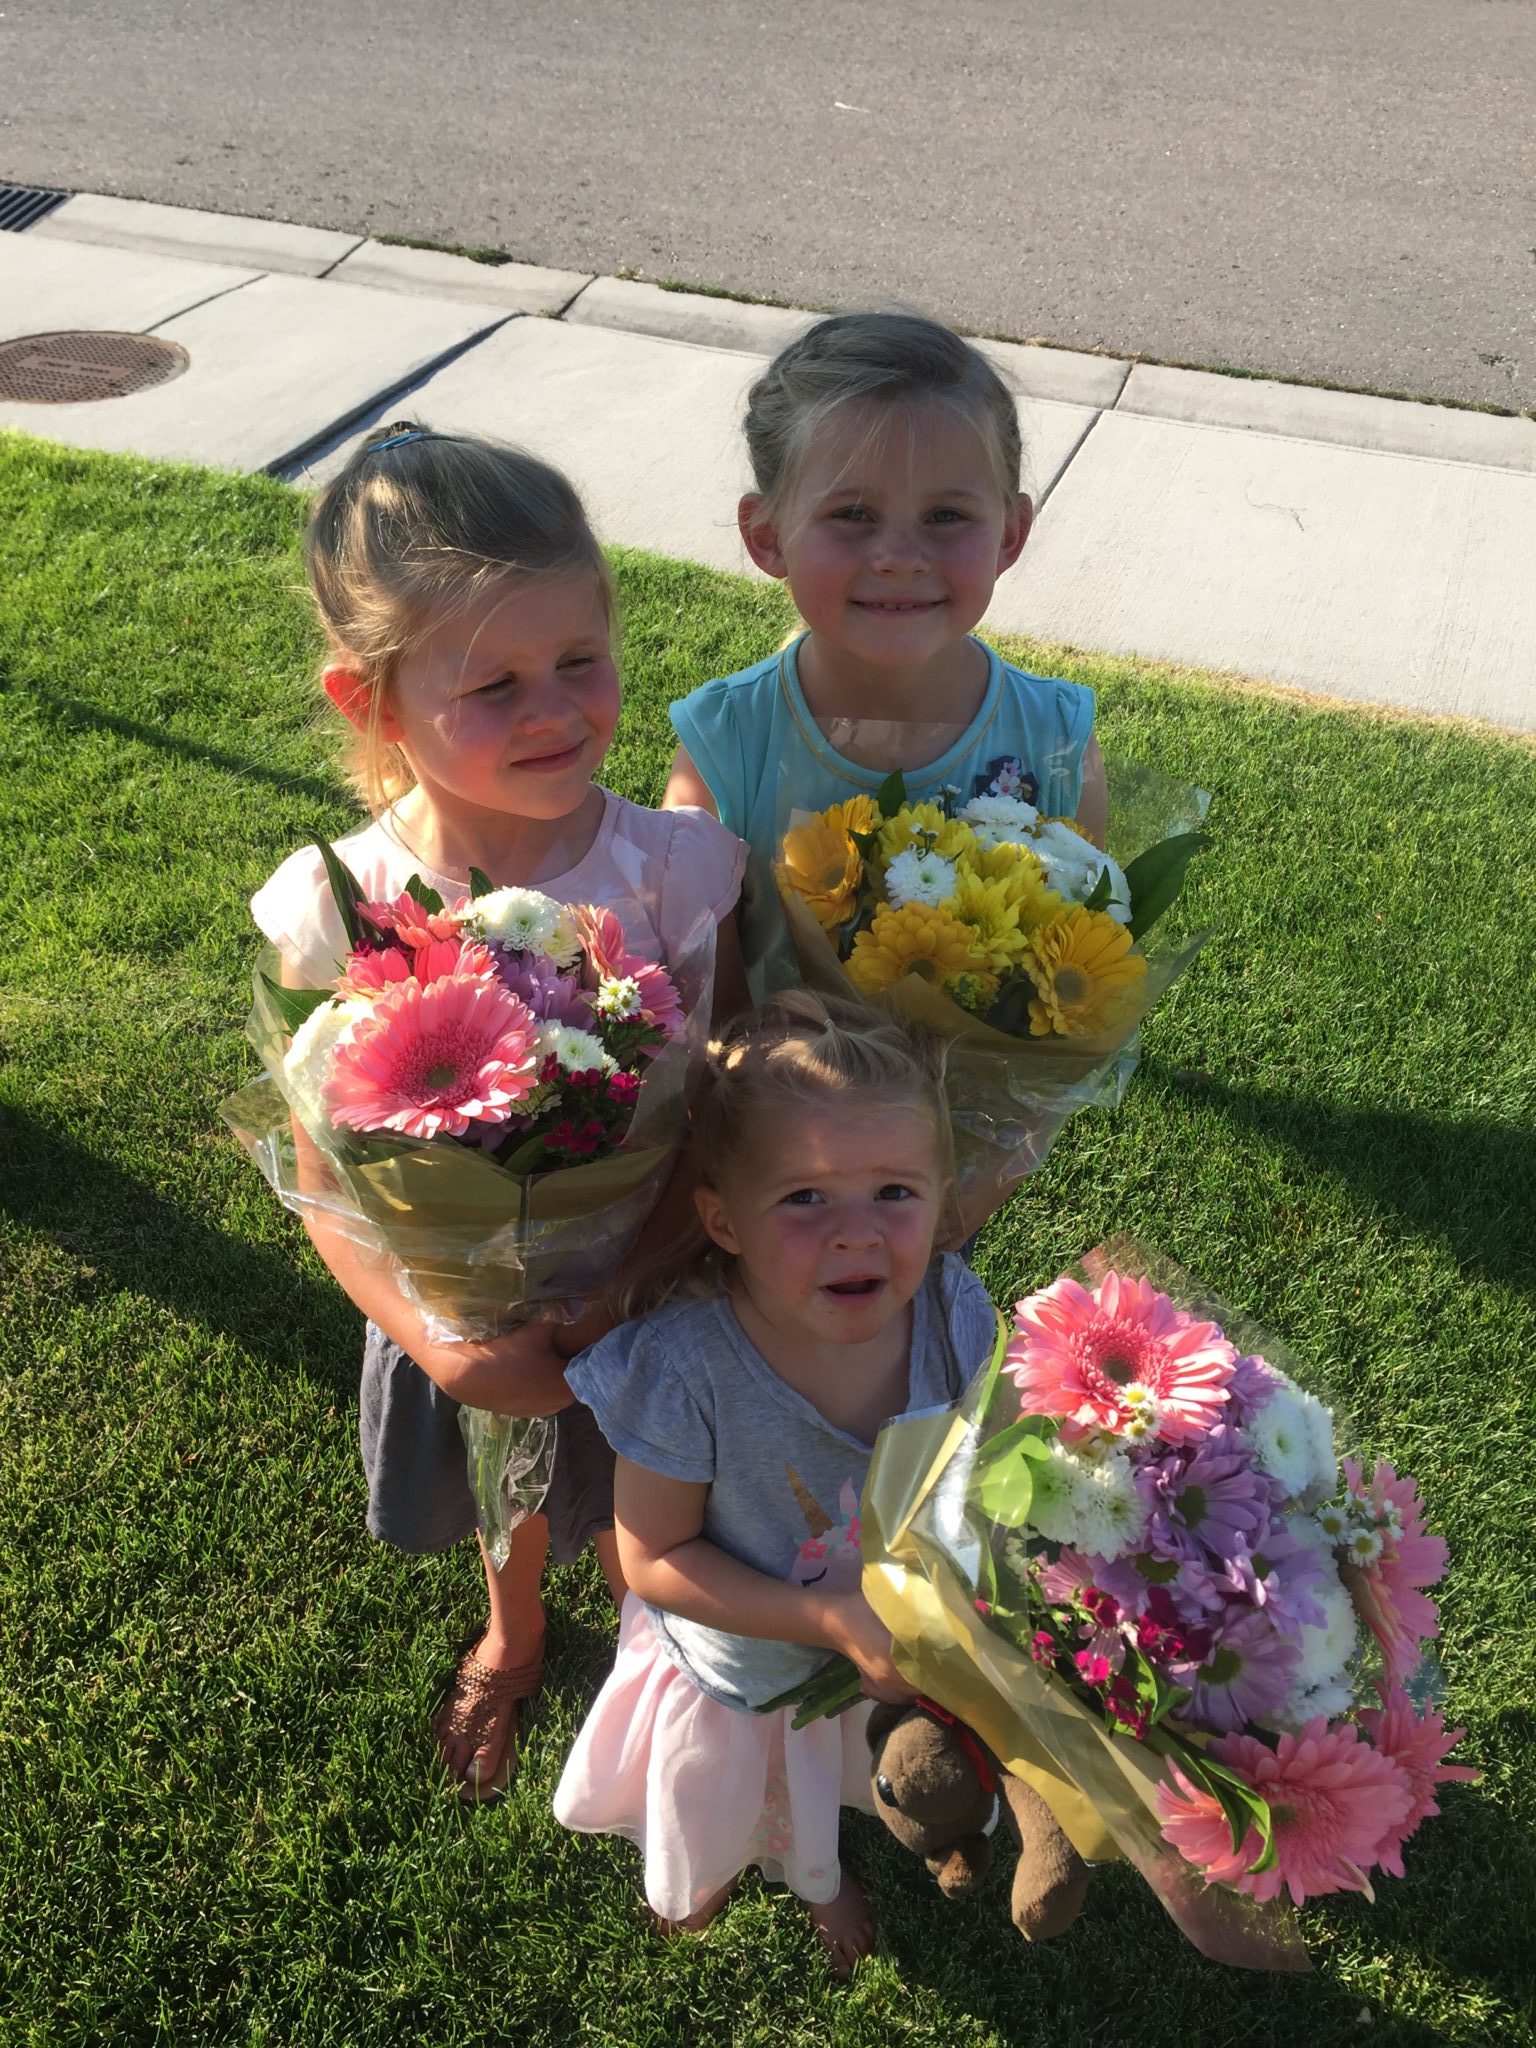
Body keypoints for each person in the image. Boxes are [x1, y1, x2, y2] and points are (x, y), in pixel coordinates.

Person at [251, 422, 746, 1802]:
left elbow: (717, 1108)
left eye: (580, 662)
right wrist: (446, 1346)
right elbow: (320, 1173)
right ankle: (515, 1633)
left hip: (652, 1301)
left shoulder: (677, 875)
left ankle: (663, 1653)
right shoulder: (336, 909)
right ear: (374, 703)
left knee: (656, 1504)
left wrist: (630, 1285)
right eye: (494, 684)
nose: (555, 713)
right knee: (505, 1500)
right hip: (462, 1318)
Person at [553, 993, 998, 1976]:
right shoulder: (685, 1370)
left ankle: (817, 1870)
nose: (856, 1233)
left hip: (872, 1653)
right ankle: (708, 1865)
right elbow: (655, 1557)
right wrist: (831, 1619)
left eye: (895, 1191)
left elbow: (984, 1457)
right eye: (804, 1197)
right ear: (723, 1218)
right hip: (738, 1668)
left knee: (823, 1774)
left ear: (944, 1190)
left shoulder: (954, 1313)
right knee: (725, 1792)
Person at [664, 310, 1107, 999]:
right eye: (853, 515)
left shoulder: (1056, 744)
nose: (900, 559)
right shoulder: (725, 751)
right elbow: (701, 1009)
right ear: (767, 535)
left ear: (1011, 533)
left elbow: (1063, 975)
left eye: (945, 517)